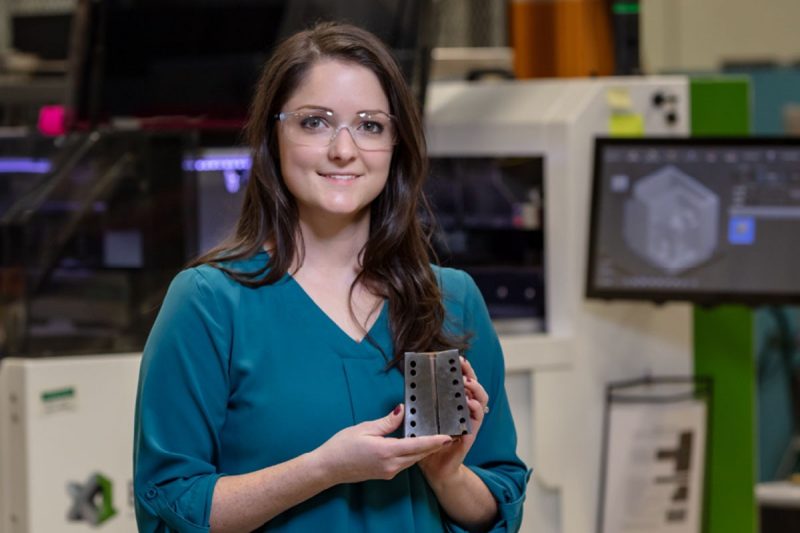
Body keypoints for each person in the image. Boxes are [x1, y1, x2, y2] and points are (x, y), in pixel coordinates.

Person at [133, 21, 530, 533]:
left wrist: (446, 474)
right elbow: (171, 504)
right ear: (274, 136)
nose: (344, 150)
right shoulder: (210, 303)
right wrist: (324, 469)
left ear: (396, 144)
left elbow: (497, 504)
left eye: (370, 125)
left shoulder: (450, 298)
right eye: (315, 122)